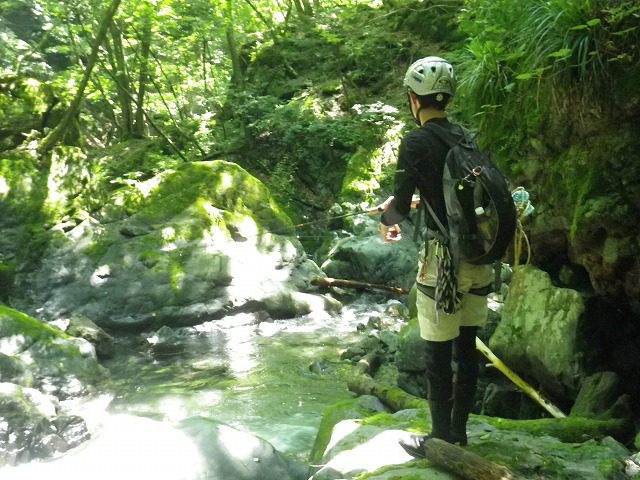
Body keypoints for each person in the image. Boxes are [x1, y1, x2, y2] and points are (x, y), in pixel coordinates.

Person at [378, 56, 494, 456]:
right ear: (446, 99)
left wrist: (387, 218)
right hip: (479, 257)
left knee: (437, 353)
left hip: (441, 262)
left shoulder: (414, 142)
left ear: (414, 99)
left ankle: (440, 438)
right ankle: (460, 432)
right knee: (468, 347)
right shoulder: (467, 138)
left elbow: (402, 203)